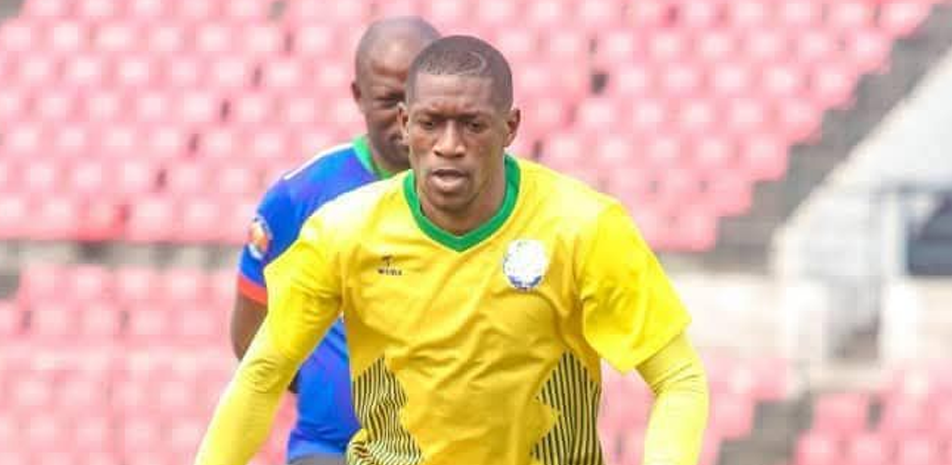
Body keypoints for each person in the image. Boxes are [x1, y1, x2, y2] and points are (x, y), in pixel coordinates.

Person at [198, 35, 709, 465]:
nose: (449, 144)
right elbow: (261, 374)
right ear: (405, 124)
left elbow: (679, 379)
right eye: (430, 123)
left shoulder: (585, 228)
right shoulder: (343, 231)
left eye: (472, 124)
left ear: (510, 127)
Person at [230, 17, 440, 465]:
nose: (405, 116)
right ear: (358, 96)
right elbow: (250, 332)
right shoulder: (301, 195)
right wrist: (326, 388)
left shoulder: (488, 196)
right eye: (388, 100)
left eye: (418, 98)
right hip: (329, 450)